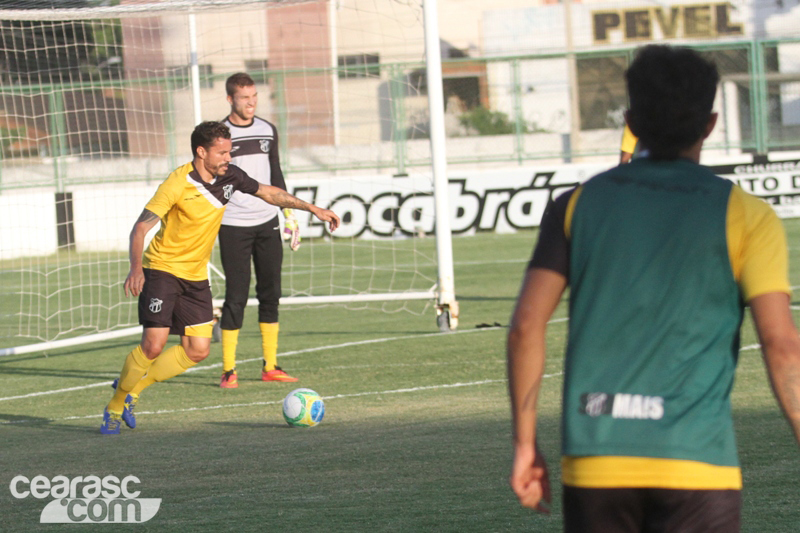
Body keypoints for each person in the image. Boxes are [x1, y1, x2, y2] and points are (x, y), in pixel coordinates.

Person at [507, 44, 800, 532]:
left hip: (597, 459)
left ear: (630, 120)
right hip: (698, 461)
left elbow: (524, 328)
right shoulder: (749, 215)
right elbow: (781, 344)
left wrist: (524, 444)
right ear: (710, 124)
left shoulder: (576, 205)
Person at [100, 121, 340, 434]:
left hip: (196, 276)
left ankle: (133, 388)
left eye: (230, 151)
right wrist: (135, 269)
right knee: (153, 345)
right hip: (162, 269)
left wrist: (312, 208)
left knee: (198, 350)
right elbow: (140, 228)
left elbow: (268, 192)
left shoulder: (230, 176)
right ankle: (115, 407)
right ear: (201, 152)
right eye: (222, 152)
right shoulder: (177, 183)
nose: (228, 157)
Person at [216, 72, 298, 389]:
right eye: (243, 98)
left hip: (268, 223)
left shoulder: (267, 130)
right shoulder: (221, 136)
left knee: (270, 293)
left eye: (254, 97)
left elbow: (276, 173)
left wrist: (288, 213)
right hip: (233, 225)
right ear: (230, 99)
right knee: (236, 296)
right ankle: (228, 369)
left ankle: (270, 364)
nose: (250, 103)